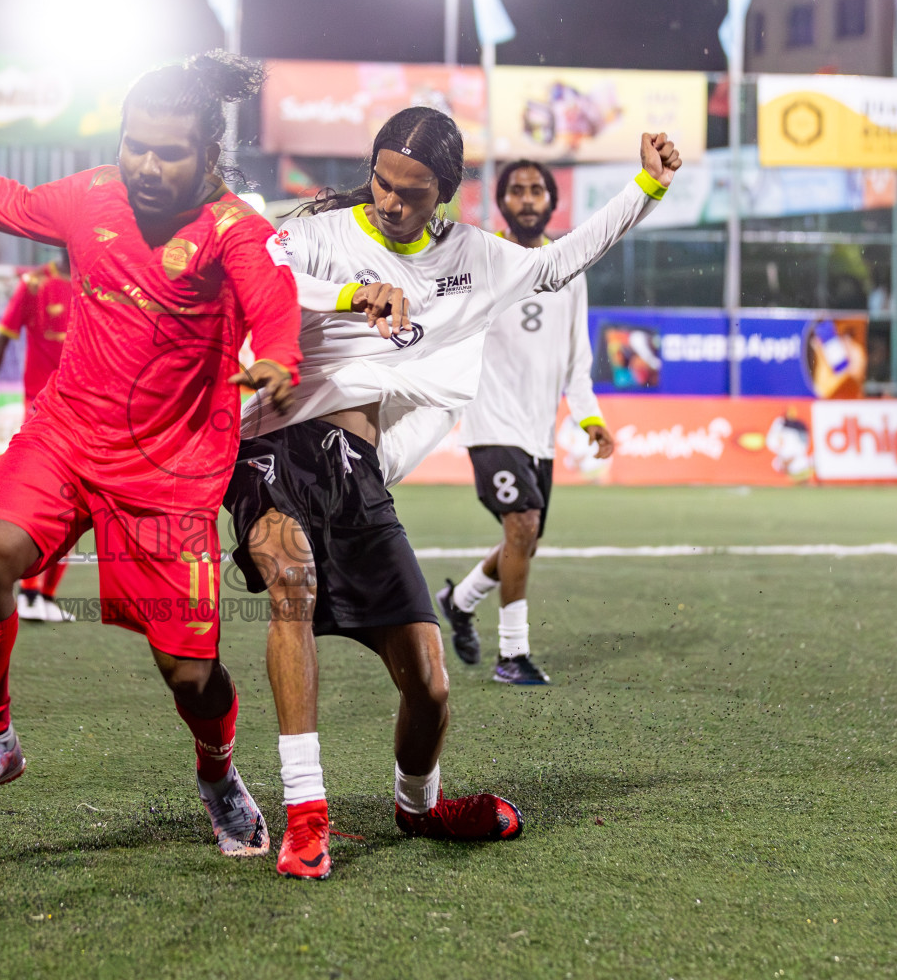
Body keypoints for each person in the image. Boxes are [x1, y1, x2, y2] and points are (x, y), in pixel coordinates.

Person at [0, 52, 302, 858]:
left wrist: (276, 359)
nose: (145, 164)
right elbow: (1, 199)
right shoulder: (93, 195)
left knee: (190, 675)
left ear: (210, 158)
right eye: (135, 143)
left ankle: (217, 774)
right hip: (66, 438)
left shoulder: (236, 231)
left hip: (170, 479)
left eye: (169, 152)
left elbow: (273, 303)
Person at [225, 108, 680, 879]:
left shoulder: (477, 258)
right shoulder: (319, 235)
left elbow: (564, 260)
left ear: (446, 191)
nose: (391, 201)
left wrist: (649, 187)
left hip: (357, 472)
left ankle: (418, 806)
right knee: (289, 581)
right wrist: (349, 295)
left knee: (430, 683)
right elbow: (260, 272)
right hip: (272, 441)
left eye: (412, 191)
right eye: (380, 182)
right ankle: (307, 816)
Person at [435, 160, 613, 686]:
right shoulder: (485, 261)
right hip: (490, 424)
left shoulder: (570, 270)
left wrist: (590, 416)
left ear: (552, 201)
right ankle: (512, 654)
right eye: (517, 190)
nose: (528, 198)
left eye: (538, 189)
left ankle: (459, 600)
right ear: (502, 202)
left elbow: (576, 360)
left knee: (523, 541)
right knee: (523, 526)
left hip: (539, 433)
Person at [0, 249, 75, 623]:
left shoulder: (98, 281)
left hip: (88, 405)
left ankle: (41, 596)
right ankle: (32, 592)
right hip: (42, 407)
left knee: (75, 502)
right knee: (49, 496)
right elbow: (2, 340)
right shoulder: (34, 284)